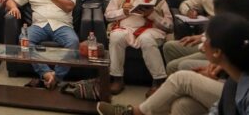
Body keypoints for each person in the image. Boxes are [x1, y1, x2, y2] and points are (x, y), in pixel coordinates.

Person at [97, 11, 249, 115]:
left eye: (205, 39)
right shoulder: (233, 76)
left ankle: (135, 112)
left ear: (217, 52)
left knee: (182, 78)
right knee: (182, 105)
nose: (201, 43)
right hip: (226, 87)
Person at [6, 0, 79, 89]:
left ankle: (56, 78)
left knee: (73, 42)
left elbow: (68, 7)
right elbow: (11, 1)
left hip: (62, 25)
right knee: (24, 39)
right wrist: (14, 7)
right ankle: (46, 74)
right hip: (39, 25)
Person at [104, 0, 173, 95]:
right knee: (116, 36)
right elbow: (108, 15)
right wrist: (123, 11)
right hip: (125, 28)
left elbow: (169, 26)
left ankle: (158, 81)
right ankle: (117, 79)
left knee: (146, 39)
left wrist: (153, 15)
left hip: (150, 30)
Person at [164, 0, 238, 74]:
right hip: (210, 41)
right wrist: (201, 36)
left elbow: (229, 40)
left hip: (224, 54)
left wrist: (205, 40)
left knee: (176, 66)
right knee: (170, 47)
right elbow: (186, 4)